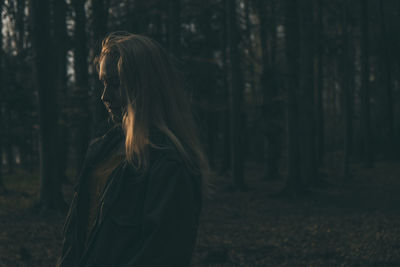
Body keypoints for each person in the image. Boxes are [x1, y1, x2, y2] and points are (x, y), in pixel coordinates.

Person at [57, 31, 211, 267]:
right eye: (104, 83)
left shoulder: (169, 163)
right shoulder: (102, 150)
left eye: (116, 84)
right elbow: (76, 235)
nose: (104, 96)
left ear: (144, 86)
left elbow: (164, 254)